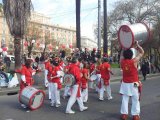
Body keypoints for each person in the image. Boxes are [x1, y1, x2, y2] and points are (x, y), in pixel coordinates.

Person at [119, 41, 144, 120]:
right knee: (135, 98)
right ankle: (135, 115)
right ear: (132, 55)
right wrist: (137, 45)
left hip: (125, 83)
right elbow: (142, 52)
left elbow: (121, 55)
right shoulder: (134, 61)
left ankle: (124, 114)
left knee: (125, 99)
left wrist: (124, 46)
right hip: (134, 83)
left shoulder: (122, 62)